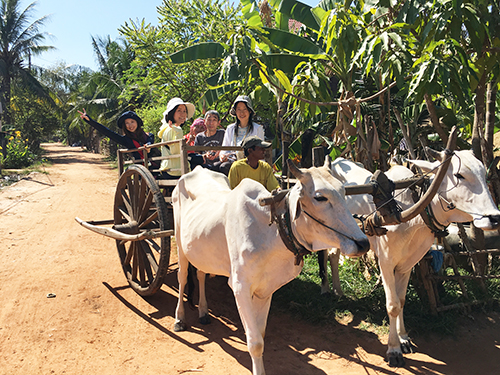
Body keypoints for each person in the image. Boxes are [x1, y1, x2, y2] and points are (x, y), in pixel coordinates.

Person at [78, 108, 159, 168]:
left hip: (157, 164)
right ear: (124, 126)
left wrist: (148, 146)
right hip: (141, 169)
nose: (130, 125)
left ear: (137, 123)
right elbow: (107, 132)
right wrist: (90, 120)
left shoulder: (149, 135)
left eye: (132, 122)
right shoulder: (125, 140)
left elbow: (150, 141)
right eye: (127, 123)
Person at [219, 95, 265, 175]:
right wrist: (223, 156)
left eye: (245, 109)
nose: (242, 113)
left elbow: (260, 151)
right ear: (235, 112)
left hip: (250, 161)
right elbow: (224, 148)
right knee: (221, 166)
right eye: (239, 110)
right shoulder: (230, 128)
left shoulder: (258, 128)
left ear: (250, 111)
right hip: (232, 160)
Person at [158, 97, 195, 179]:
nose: (183, 114)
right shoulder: (174, 129)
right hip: (175, 171)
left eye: (184, 111)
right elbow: (176, 151)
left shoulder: (172, 128)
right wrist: (178, 131)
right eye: (179, 111)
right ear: (172, 113)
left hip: (172, 169)